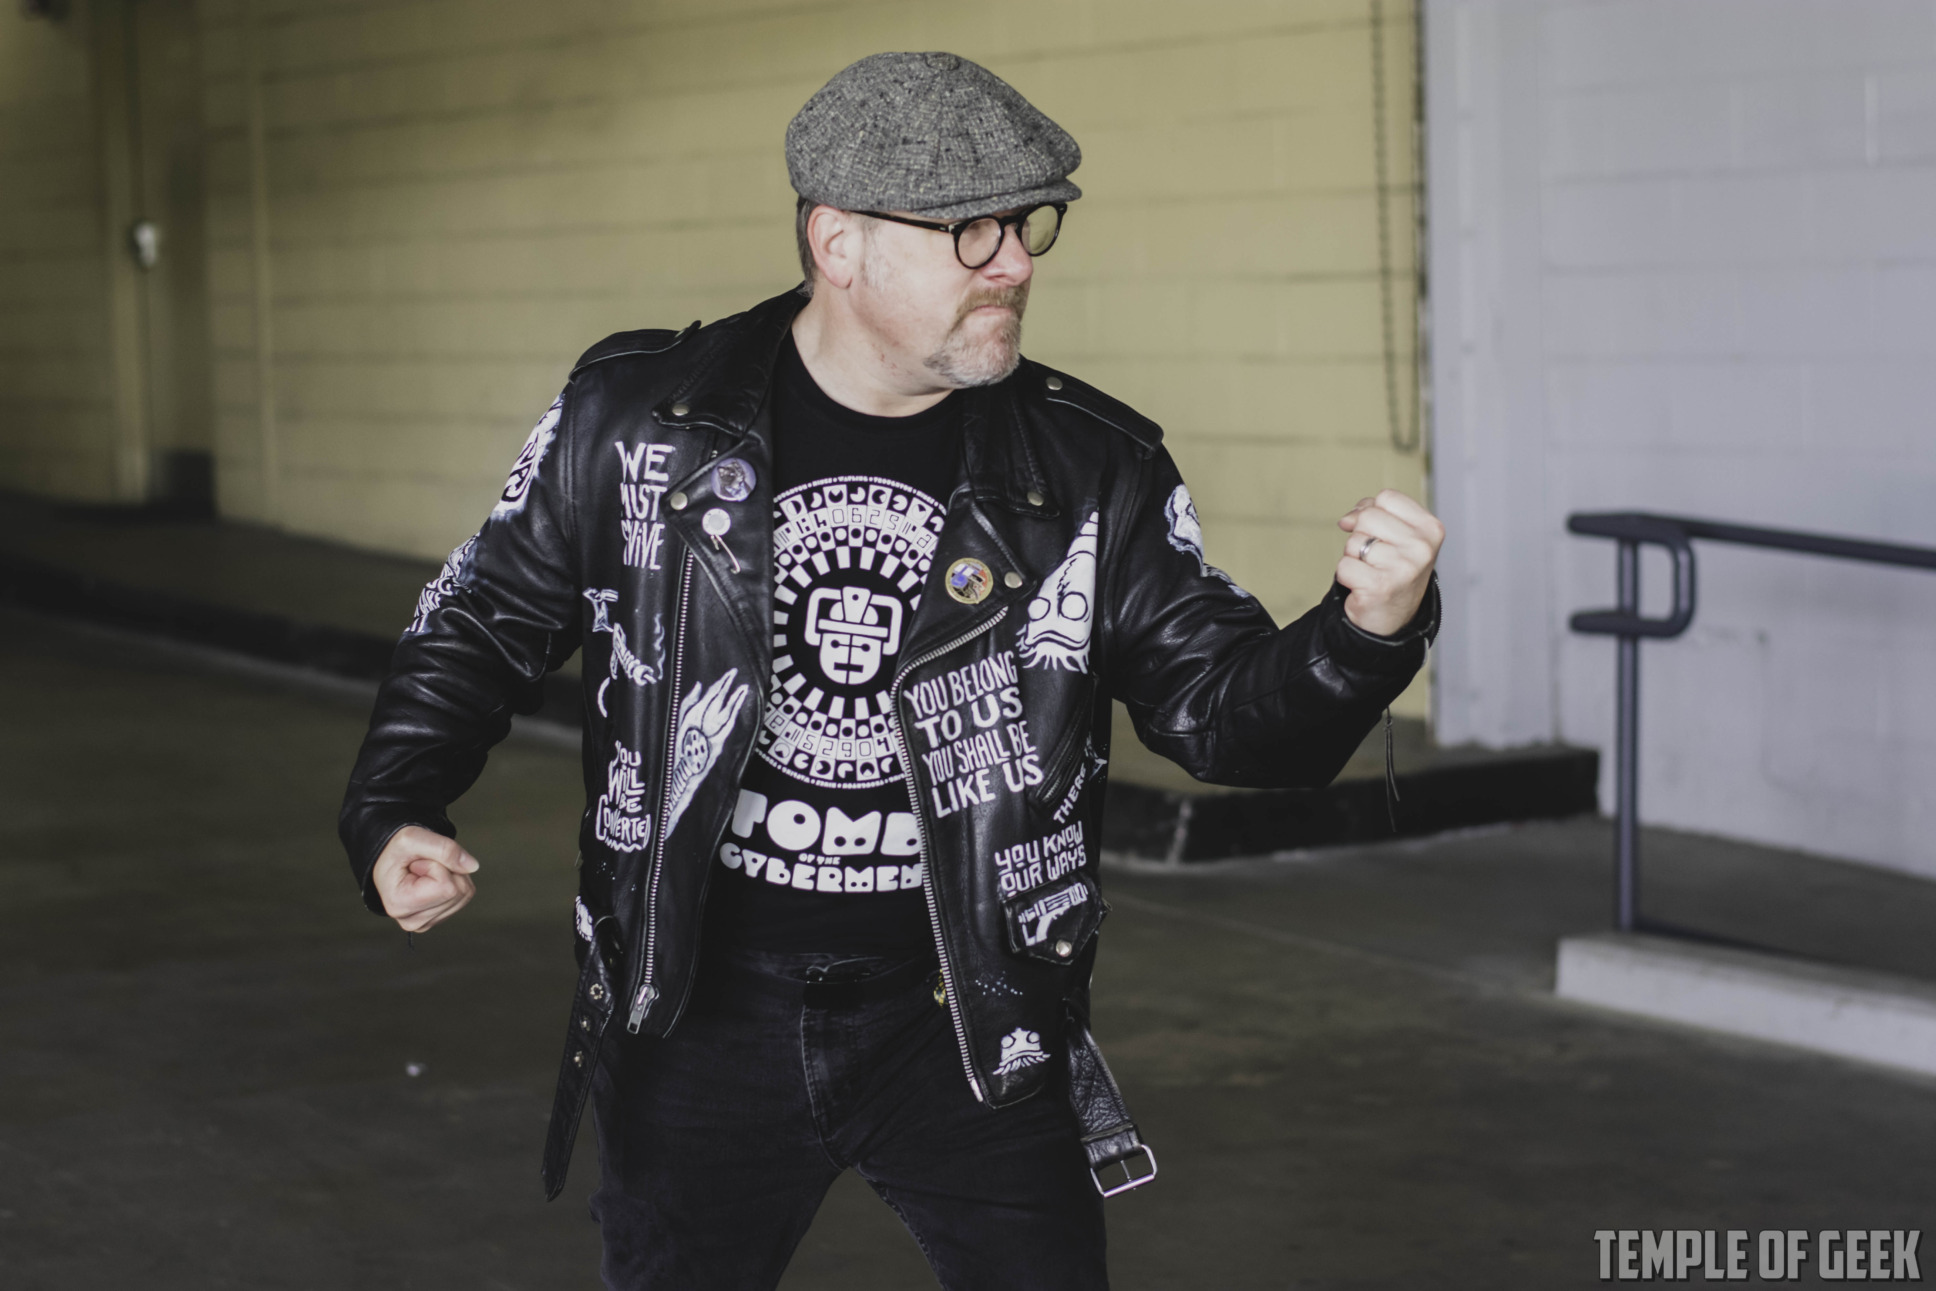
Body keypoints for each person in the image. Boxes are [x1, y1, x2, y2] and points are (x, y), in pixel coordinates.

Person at [340, 50, 1444, 1290]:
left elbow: (1225, 720)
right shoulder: (639, 422)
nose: (1015, 263)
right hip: (694, 1012)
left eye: (1026, 225)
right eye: (971, 231)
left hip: (969, 1017)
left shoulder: (1090, 468)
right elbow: (482, 617)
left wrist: (1365, 630)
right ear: (839, 243)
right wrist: (395, 803)